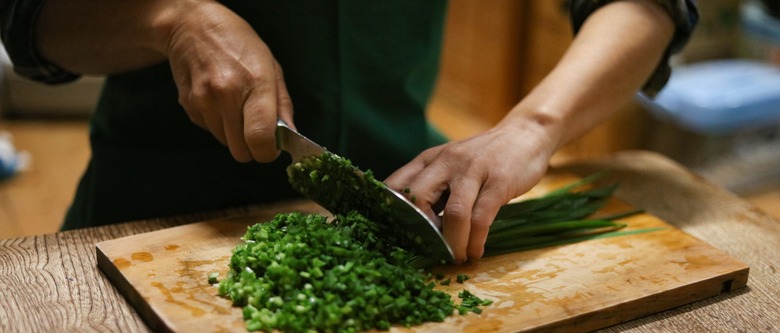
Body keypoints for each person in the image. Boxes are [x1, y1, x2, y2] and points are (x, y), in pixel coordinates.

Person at [0, 0, 697, 263]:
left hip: (406, 203)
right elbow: (28, 19)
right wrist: (170, 20)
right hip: (145, 220)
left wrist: (534, 126)